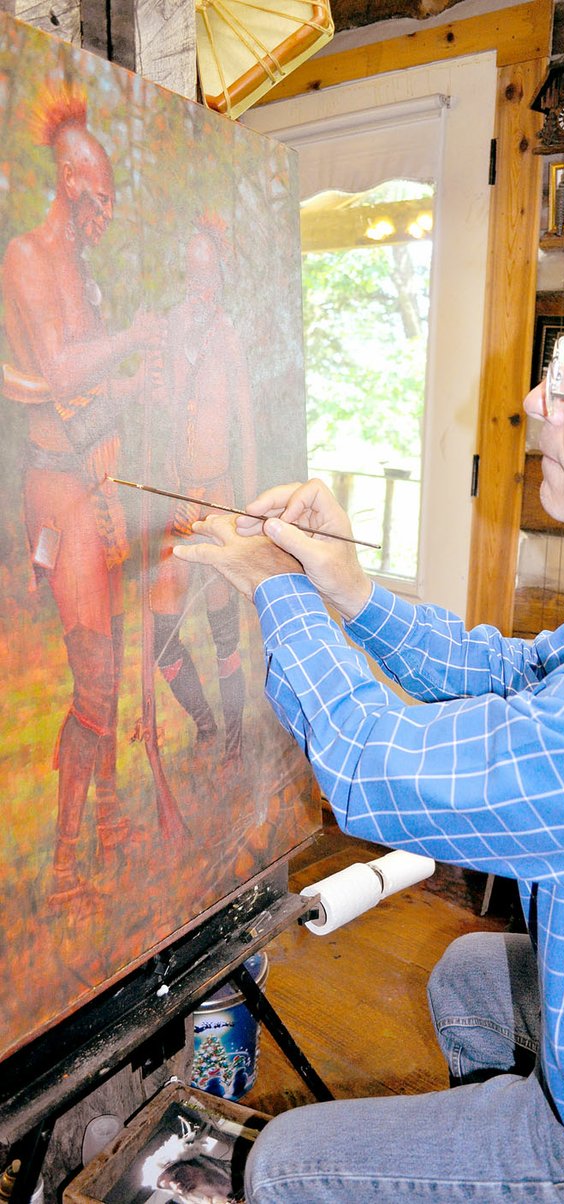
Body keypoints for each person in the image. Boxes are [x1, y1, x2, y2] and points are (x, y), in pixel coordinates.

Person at [173, 217, 564, 1202]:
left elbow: (373, 767)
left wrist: (274, 591)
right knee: (472, 975)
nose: (535, 399)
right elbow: (515, 677)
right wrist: (347, 588)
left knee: (291, 1167)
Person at [1, 81, 159, 907]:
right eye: (97, 199)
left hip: (97, 481)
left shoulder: (86, 274)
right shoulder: (28, 257)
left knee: (114, 661)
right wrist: (130, 343)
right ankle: (65, 867)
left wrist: (134, 378)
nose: (103, 215)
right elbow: (60, 371)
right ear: (71, 185)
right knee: (93, 676)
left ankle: (108, 823)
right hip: (58, 490)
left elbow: (94, 384)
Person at [149, 213, 256, 769]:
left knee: (223, 633)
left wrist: (247, 512)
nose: (200, 286)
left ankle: (235, 739)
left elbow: (246, 426)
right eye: (191, 275)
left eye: (207, 274)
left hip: (217, 500)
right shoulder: (171, 329)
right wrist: (172, 490)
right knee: (162, 638)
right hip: (176, 501)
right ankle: (207, 725)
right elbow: (164, 423)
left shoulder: (230, 339)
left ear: (220, 276)